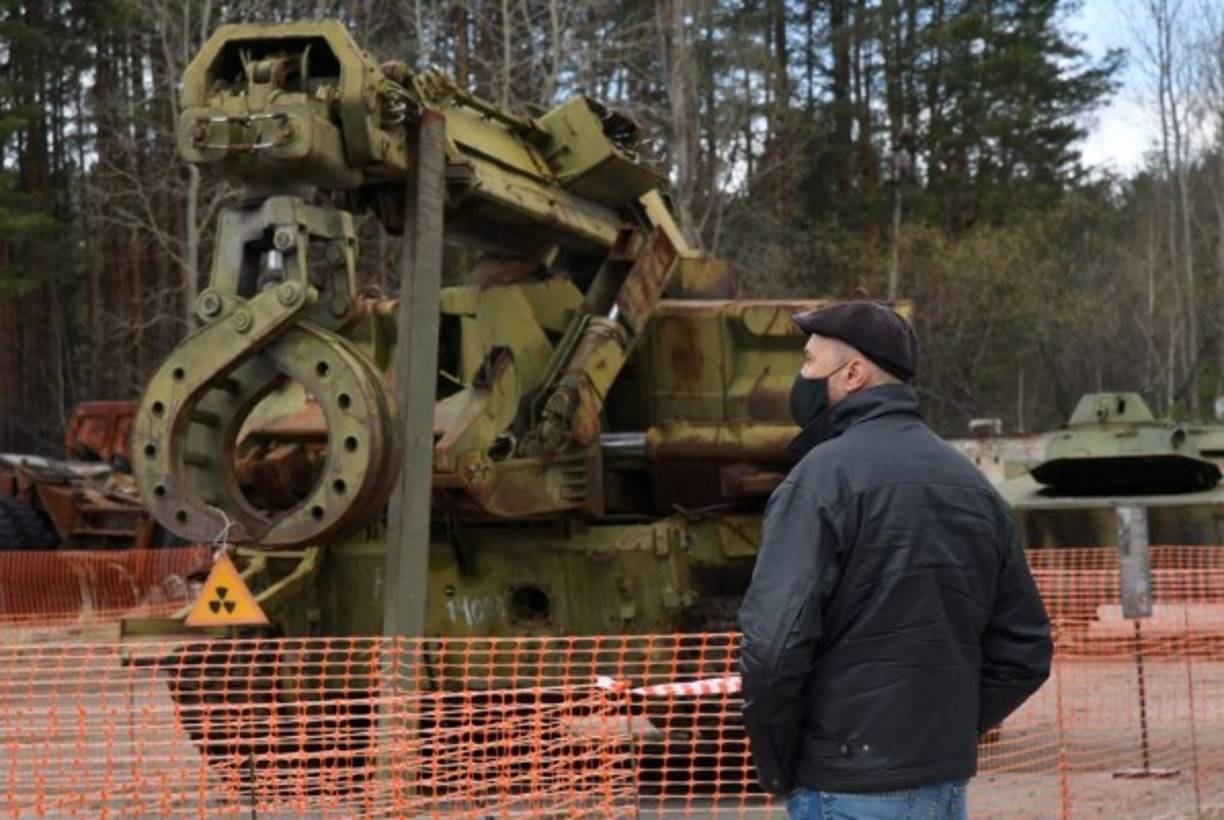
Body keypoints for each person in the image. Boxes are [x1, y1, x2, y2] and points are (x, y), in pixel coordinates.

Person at [738, 301, 1052, 820]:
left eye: (810, 364)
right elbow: (1026, 647)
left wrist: (779, 763)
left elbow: (773, 648)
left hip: (843, 784)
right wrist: (944, 731)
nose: (802, 379)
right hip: (941, 784)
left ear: (855, 374)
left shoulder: (820, 479)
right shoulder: (971, 484)